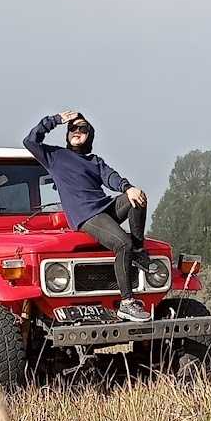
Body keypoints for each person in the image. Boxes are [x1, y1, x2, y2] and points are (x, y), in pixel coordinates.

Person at [23, 110, 152, 322]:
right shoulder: (55, 156)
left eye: (82, 129)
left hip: (103, 206)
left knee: (137, 196)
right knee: (123, 244)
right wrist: (54, 120)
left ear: (89, 135)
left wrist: (127, 187)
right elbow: (30, 141)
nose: (77, 131)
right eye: (73, 128)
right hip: (86, 215)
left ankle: (139, 251)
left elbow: (111, 177)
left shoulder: (94, 160)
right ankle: (127, 303)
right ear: (67, 133)